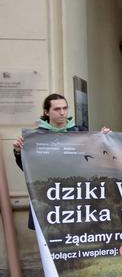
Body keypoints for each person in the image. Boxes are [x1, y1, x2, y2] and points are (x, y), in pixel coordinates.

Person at [13, 94, 100, 230]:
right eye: (57, 109)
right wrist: (19, 152)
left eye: (65, 108)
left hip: (75, 195)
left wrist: (106, 139)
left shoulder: (81, 132)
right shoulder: (36, 136)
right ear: (46, 112)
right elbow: (29, 168)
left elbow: (96, 159)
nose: (62, 112)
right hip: (47, 197)